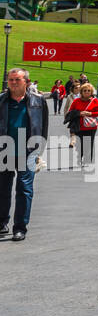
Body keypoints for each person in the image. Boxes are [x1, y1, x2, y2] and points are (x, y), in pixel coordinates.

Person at [1, 69, 49, 241]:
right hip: (4, 151)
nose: (13, 82)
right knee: (2, 189)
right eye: (11, 79)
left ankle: (20, 228)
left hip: (28, 152)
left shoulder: (38, 101)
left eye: (17, 79)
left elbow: (43, 127)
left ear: (26, 82)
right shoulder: (1, 100)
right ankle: (1, 223)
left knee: (24, 189)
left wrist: (39, 151)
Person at [67, 82, 98, 166]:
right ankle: (79, 157)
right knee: (80, 145)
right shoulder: (76, 101)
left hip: (91, 127)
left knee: (89, 144)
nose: (87, 92)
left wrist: (90, 113)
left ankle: (87, 161)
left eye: (89, 91)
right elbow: (70, 112)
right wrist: (79, 113)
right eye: (85, 90)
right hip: (79, 126)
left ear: (91, 92)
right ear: (81, 92)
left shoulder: (94, 101)